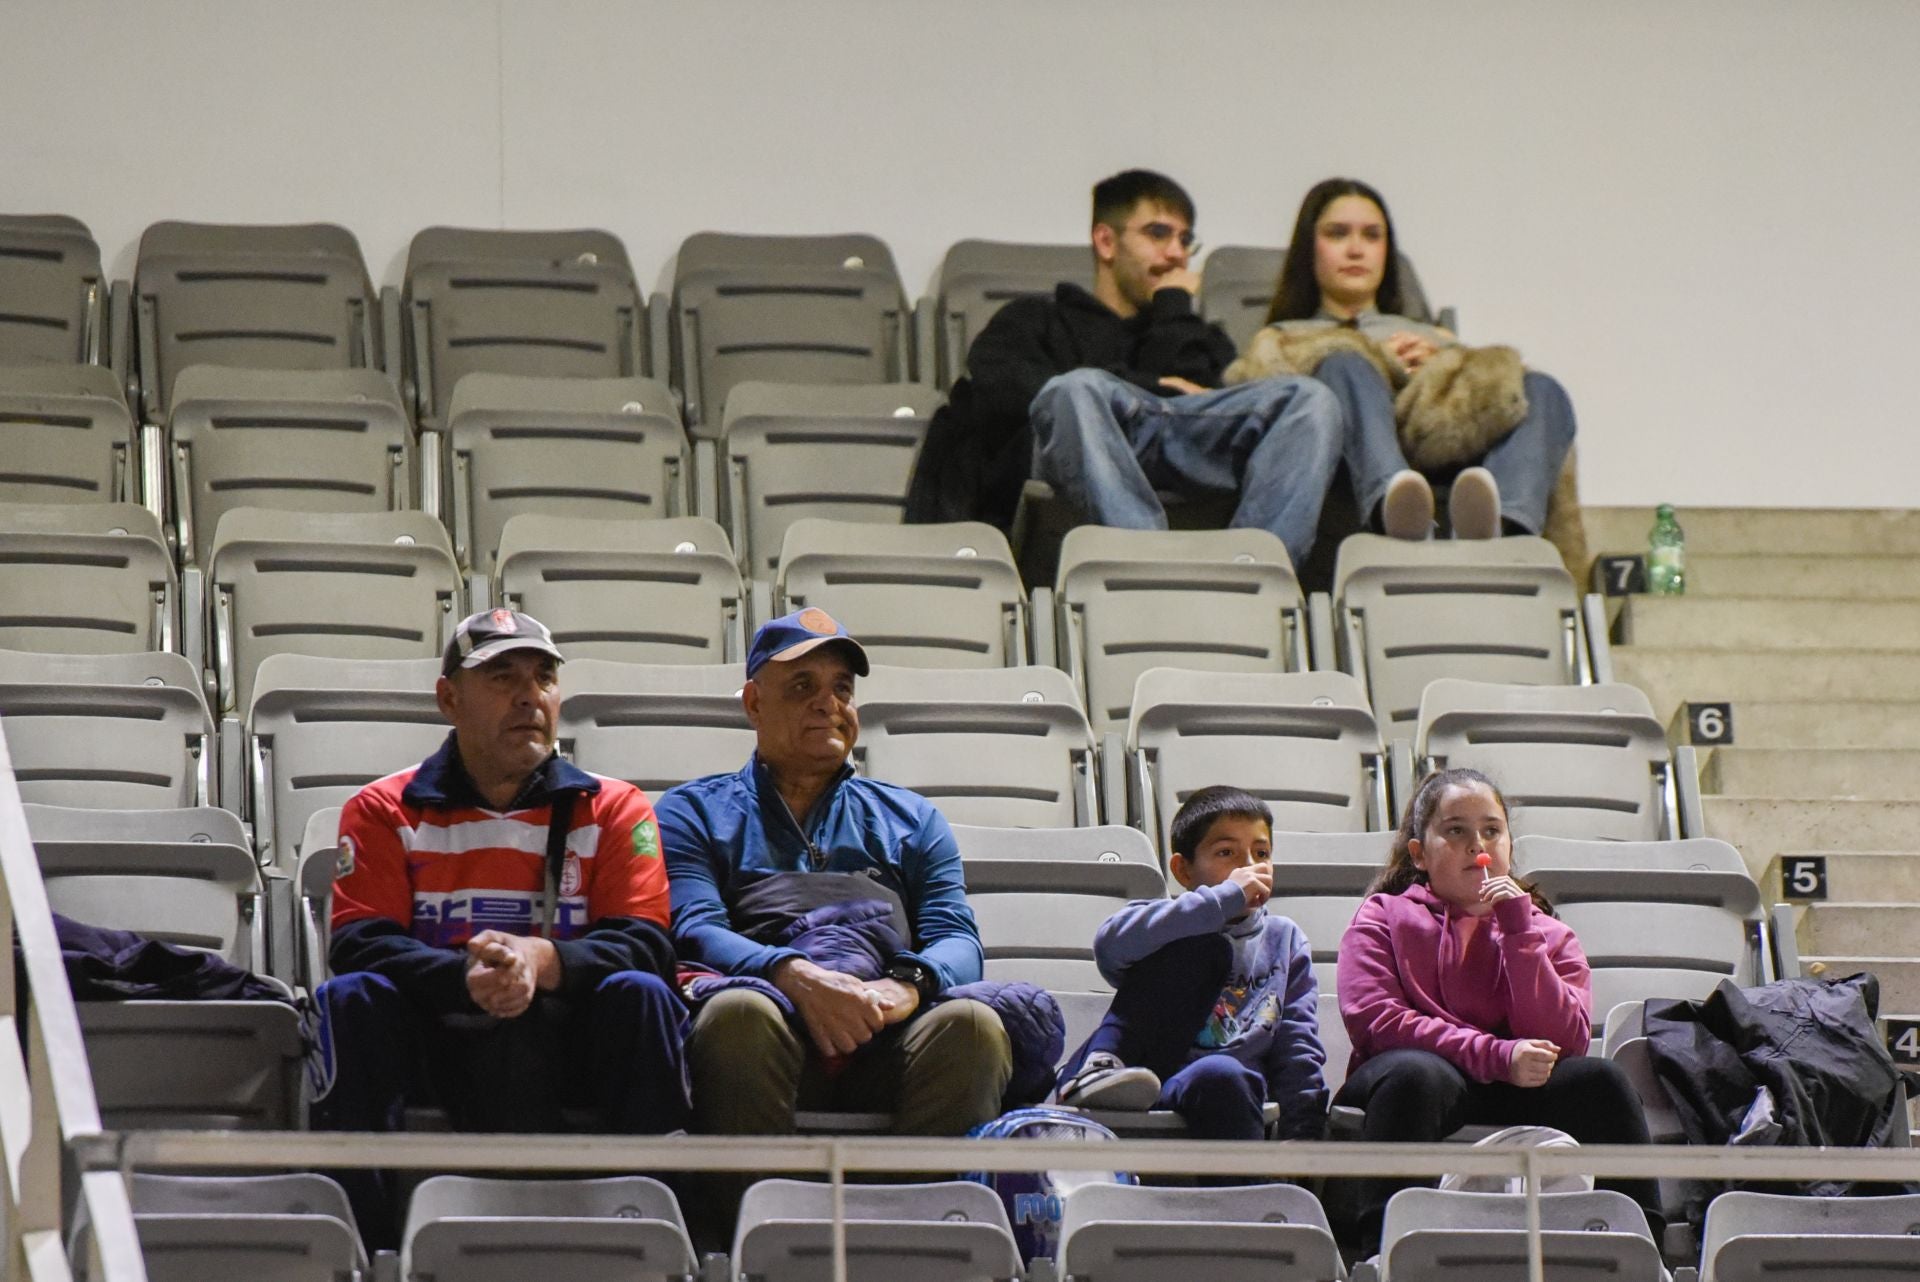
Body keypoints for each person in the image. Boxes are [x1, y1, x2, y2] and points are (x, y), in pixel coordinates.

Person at [314, 609, 690, 1246]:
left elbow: (647, 942)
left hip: (572, 1036)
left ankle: (656, 1236)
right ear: (448, 698)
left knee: (644, 995)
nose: (529, 697)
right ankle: (359, 1244)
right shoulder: (382, 808)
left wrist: (541, 962)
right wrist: (469, 975)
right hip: (437, 1035)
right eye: (502, 677)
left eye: (544, 678)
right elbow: (359, 943)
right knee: (349, 1000)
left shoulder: (617, 807)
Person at [655, 608, 1013, 1138]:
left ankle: (920, 1215)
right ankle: (740, 1219)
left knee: (974, 1026)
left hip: (886, 1036)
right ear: (754, 703)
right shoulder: (691, 812)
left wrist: (905, 988)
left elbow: (957, 939)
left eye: (842, 689)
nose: (829, 704)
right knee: (738, 1016)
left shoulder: (913, 820)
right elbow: (695, 929)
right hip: (764, 1030)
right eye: (803, 686)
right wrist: (794, 976)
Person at [905, 168, 1345, 569]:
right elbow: (1008, 394)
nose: (1176, 254)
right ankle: (1147, 569)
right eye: (1158, 233)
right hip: (1072, 453)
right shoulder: (1036, 318)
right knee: (1075, 391)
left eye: (1185, 240)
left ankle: (1253, 577)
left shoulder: (1196, 331)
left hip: (1187, 450)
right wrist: (1147, 385)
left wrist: (1173, 310)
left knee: (1310, 400)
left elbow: (1204, 406)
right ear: (1106, 241)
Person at [1333, 767, 1657, 1249]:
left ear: (1507, 844)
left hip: (1512, 1083)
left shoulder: (1547, 933)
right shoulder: (1382, 915)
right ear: (1419, 855)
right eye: (1455, 831)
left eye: (1491, 830)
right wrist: (1496, 1055)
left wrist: (1519, 934)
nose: (1476, 845)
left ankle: (1636, 1245)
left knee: (1600, 1080)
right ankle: (1383, 1248)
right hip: (1416, 1079)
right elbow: (1378, 1022)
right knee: (1416, 1076)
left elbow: (1565, 1041)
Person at [1263, 177, 1577, 542]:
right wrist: (1376, 357)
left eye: (1371, 235)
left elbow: (1487, 399)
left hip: (1439, 440)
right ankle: (1397, 508)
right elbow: (1275, 402)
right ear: (1309, 248)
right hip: (1347, 460)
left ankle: (1500, 530)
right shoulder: (1281, 337)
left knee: (1542, 389)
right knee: (1343, 362)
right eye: (1337, 234)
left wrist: (1446, 365)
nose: (1355, 249)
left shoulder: (1432, 335)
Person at [1053, 786, 1327, 1141]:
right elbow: (1110, 945)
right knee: (1201, 949)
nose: (1248, 867)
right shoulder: (1167, 921)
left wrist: (1303, 1132)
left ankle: (1252, 1194)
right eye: (1226, 852)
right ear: (1183, 870)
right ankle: (1098, 1067)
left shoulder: (1285, 938)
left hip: (1236, 1087)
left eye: (1261, 853)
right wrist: (1224, 898)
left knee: (1226, 1074)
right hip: (1152, 1079)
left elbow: (1298, 1045)